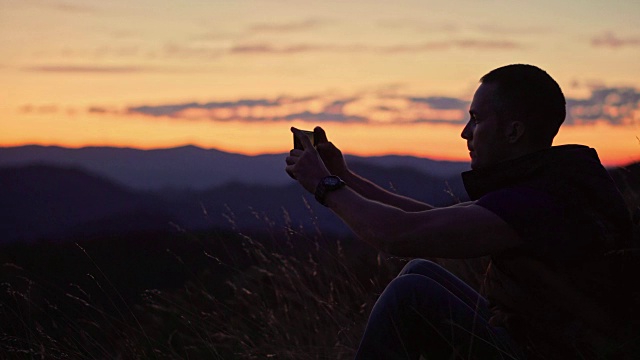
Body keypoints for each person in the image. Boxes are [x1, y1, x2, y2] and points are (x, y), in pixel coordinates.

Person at [285, 64, 637, 359]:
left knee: (411, 296)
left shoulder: (538, 201)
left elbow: (399, 235)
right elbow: (427, 220)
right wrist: (343, 177)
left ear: (514, 131)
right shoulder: (552, 183)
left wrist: (324, 187)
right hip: (541, 339)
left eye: (476, 119)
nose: (465, 132)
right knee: (420, 271)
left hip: (550, 352)